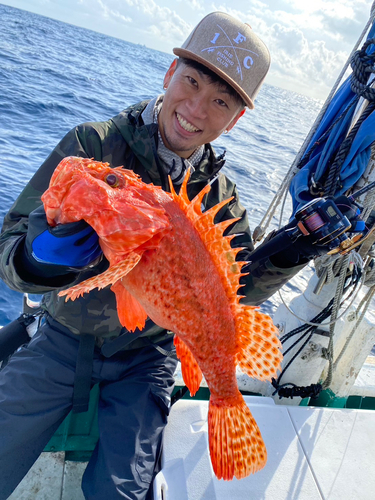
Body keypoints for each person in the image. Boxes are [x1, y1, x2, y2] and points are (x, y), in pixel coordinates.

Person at [0, 11, 335, 500]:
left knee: (122, 490)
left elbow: (231, 297)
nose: (197, 109)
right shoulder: (93, 146)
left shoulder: (223, 201)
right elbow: (9, 251)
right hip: (61, 337)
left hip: (146, 359)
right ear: (168, 74)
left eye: (220, 101)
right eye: (192, 81)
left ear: (235, 119)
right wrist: (39, 259)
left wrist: (295, 248)